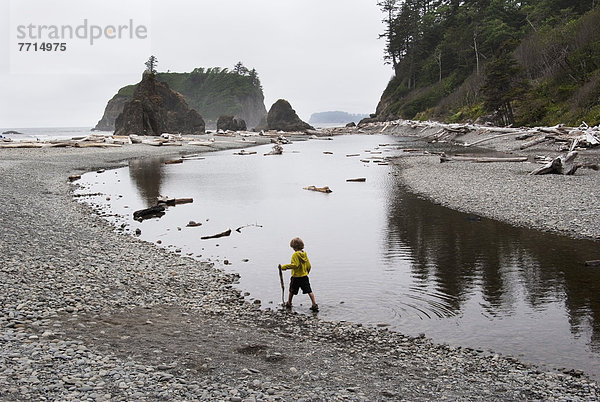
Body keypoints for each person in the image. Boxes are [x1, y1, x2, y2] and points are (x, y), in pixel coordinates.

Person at [278, 237, 318, 312]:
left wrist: (284, 267)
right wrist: (307, 272)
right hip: (304, 276)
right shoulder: (304, 253)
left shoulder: (295, 255)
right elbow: (308, 265)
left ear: (294, 247)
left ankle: (289, 303)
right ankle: (314, 304)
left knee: (292, 290)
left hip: (296, 277)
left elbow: (295, 265)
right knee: (309, 290)